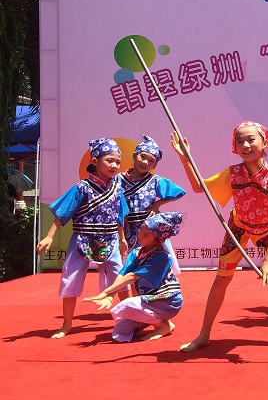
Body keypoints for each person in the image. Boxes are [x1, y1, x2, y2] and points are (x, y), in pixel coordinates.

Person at [170, 121, 268, 354]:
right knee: (221, 279)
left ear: (264, 143)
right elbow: (199, 187)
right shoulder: (233, 173)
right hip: (240, 227)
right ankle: (204, 334)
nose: (245, 145)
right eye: (240, 141)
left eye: (251, 140)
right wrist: (185, 157)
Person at [36, 138, 129, 339]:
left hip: (110, 239)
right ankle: (67, 324)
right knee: (70, 278)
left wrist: (122, 238)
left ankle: (129, 320)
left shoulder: (117, 188)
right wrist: (49, 236)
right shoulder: (82, 188)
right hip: (82, 239)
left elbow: (120, 216)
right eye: (109, 160)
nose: (114, 165)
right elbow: (63, 213)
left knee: (120, 278)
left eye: (117, 161)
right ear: (95, 161)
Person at [84, 212, 185, 342]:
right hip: (150, 300)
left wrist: (106, 292)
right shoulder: (136, 252)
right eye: (141, 231)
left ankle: (162, 325)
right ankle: (160, 321)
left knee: (127, 305)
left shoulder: (162, 258)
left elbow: (132, 276)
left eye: (146, 235)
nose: (140, 236)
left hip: (168, 302)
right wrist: (110, 296)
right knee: (120, 332)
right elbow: (123, 273)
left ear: (159, 240)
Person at [120, 136, 186, 272]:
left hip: (148, 229)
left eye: (151, 161)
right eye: (143, 157)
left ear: (154, 165)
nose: (145, 162)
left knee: (149, 267)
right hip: (125, 230)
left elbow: (178, 192)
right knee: (126, 268)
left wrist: (157, 204)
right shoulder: (118, 179)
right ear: (134, 156)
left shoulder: (155, 181)